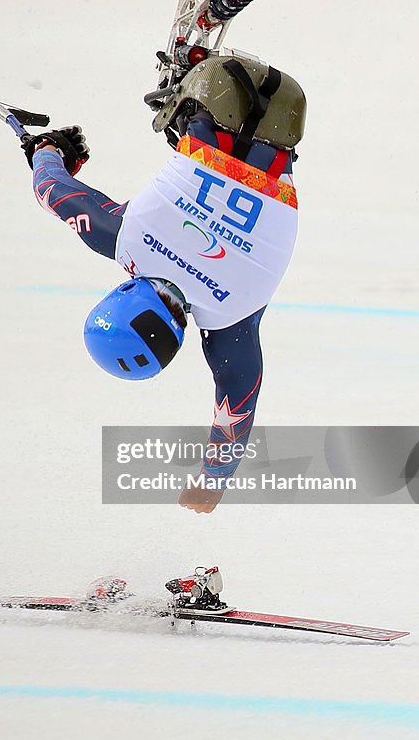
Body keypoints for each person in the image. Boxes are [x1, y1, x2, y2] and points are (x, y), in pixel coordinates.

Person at [22, 53, 305, 513]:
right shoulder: (121, 240)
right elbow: (51, 191)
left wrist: (212, 483)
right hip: (217, 91)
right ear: (123, 295)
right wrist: (49, 150)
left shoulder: (230, 320)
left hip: (290, 113)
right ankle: (191, 54)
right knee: (170, 116)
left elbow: (237, 410)